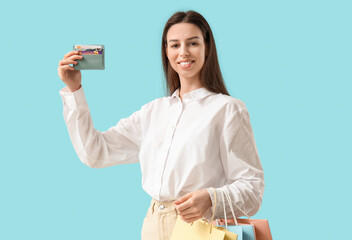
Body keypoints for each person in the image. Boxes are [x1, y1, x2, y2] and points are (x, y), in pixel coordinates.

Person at [57, 10, 264, 240]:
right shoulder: (153, 112)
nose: (183, 52)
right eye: (174, 45)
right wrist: (74, 90)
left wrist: (211, 198)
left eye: (192, 43)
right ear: (166, 51)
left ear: (207, 47)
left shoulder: (228, 109)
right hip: (153, 226)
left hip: (199, 228)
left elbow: (252, 188)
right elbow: (94, 152)